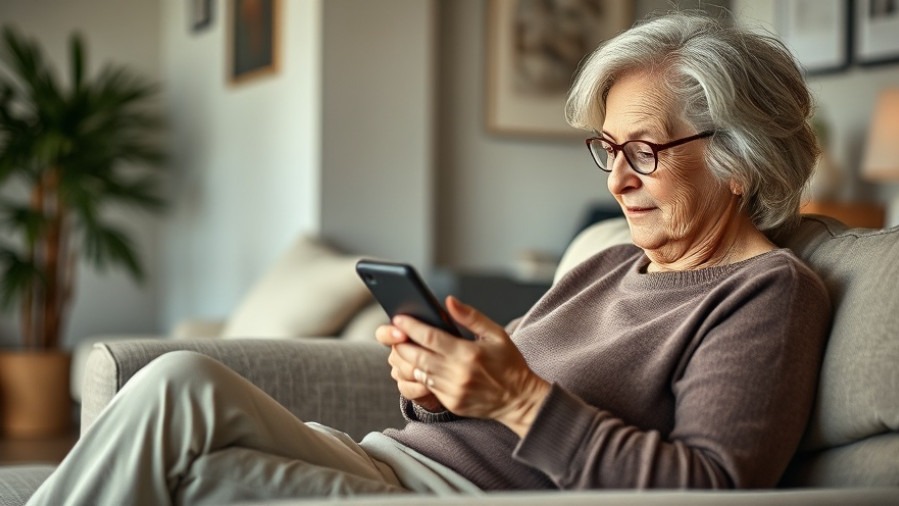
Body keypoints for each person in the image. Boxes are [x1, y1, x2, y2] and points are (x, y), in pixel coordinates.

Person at [26, 12, 831, 505]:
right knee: (174, 382)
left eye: (645, 151)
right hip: (389, 460)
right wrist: (437, 390)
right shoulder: (607, 264)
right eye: (607, 149)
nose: (617, 178)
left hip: (469, 498)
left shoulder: (766, 292)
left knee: (199, 480)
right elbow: (489, 397)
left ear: (739, 158)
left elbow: (710, 493)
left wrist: (518, 401)